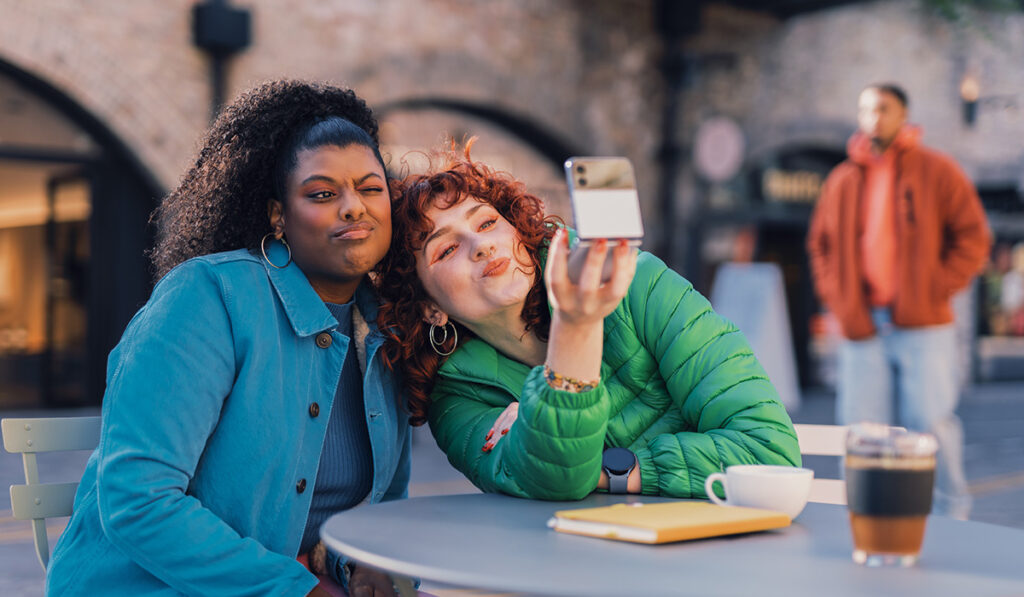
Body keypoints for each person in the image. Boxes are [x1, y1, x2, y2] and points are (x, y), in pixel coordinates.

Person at [46, 81, 410, 597]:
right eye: (322, 193)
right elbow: (139, 500)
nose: (353, 207)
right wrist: (299, 590)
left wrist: (362, 565)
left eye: (371, 189)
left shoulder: (385, 329)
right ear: (278, 215)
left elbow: (383, 500)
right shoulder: (209, 298)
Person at [376, 141, 799, 501]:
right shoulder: (455, 397)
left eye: (487, 223)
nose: (480, 246)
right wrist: (575, 328)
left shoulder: (640, 284)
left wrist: (607, 471)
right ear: (429, 307)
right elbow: (551, 477)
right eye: (445, 249)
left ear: (519, 235)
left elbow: (769, 452)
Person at [807, 83, 991, 519]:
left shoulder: (937, 170)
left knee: (931, 425)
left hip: (924, 324)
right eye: (866, 109)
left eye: (883, 109)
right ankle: (861, 515)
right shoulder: (842, 179)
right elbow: (821, 246)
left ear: (903, 114)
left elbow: (974, 237)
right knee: (859, 431)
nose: (873, 118)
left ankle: (951, 516)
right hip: (862, 323)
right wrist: (839, 300)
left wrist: (935, 287)